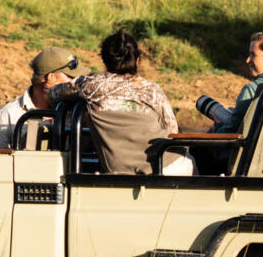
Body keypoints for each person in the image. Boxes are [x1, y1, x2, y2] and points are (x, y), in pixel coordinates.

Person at [48, 30, 190, 175]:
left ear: (104, 59)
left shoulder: (90, 86)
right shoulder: (153, 91)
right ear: (137, 60)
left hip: (120, 171)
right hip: (169, 166)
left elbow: (53, 94)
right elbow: (173, 132)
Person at [0, 47, 85, 149]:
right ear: (51, 77)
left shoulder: (79, 111)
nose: (75, 82)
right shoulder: (9, 114)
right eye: (71, 76)